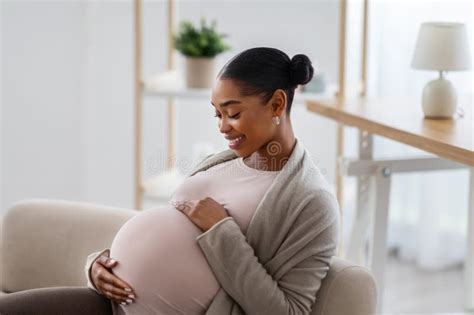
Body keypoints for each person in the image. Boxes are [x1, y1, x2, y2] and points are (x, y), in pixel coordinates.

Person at [0, 47, 339, 315]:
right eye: (217, 114)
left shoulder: (311, 202)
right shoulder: (220, 164)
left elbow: (287, 311)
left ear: (278, 103)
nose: (222, 127)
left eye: (233, 113)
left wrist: (221, 232)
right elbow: (164, 237)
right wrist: (97, 268)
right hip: (113, 305)